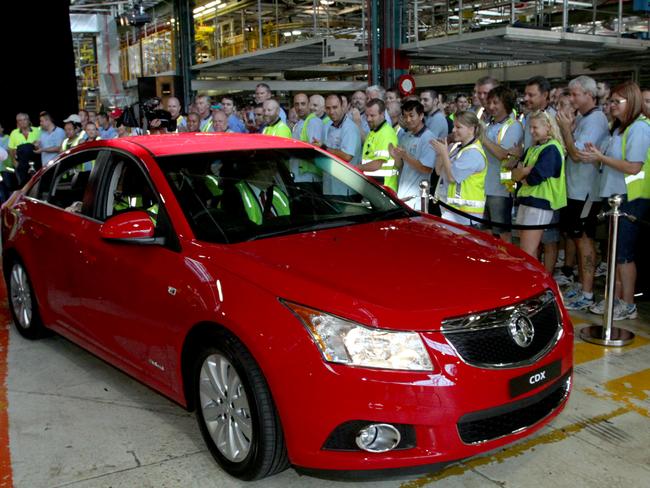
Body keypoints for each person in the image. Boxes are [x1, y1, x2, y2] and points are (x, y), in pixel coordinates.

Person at [579, 81, 650, 320]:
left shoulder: (639, 128)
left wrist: (602, 158)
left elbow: (633, 166)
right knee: (615, 252)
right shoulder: (617, 128)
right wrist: (596, 158)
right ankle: (615, 298)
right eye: (610, 101)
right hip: (614, 195)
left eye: (615, 102)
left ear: (631, 102)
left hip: (630, 197)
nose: (611, 106)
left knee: (624, 254)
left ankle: (628, 303)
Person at [556, 75, 610, 310]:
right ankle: (582, 284)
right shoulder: (583, 118)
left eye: (576, 94)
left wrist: (566, 130)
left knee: (584, 239)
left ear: (589, 94)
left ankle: (587, 292)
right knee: (576, 238)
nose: (572, 98)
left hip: (586, 192)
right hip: (575, 189)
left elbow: (577, 154)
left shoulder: (596, 120)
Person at [512, 111, 567, 259]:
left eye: (535, 128)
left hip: (540, 203)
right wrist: (525, 171)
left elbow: (534, 178)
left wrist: (523, 173)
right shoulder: (533, 149)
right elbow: (514, 175)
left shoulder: (552, 149)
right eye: (530, 127)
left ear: (548, 127)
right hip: (527, 200)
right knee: (525, 250)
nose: (531, 131)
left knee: (527, 251)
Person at [480, 86, 524, 243]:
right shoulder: (489, 126)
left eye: (495, 102)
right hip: (482, 187)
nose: (491, 106)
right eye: (489, 102)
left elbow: (503, 154)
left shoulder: (514, 126)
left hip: (500, 189)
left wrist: (482, 137)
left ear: (506, 103)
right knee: (485, 231)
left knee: (503, 232)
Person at [430, 111, 487, 226]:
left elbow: (452, 177)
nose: (453, 130)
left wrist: (444, 153)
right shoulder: (457, 147)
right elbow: (438, 170)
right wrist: (441, 153)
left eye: (458, 127)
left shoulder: (473, 153)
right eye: (454, 126)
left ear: (471, 129)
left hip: (467, 215)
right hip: (453, 211)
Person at [390, 99, 436, 211]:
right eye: (405, 116)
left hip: (418, 199)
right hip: (403, 195)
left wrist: (405, 156)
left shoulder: (428, 137)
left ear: (421, 116)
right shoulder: (405, 136)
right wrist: (395, 156)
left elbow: (426, 168)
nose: (408, 120)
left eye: (411, 115)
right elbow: (399, 166)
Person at [320, 94, 362, 197]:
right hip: (330, 186)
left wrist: (324, 148)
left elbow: (347, 156)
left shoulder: (349, 128)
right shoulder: (327, 126)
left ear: (342, 106)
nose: (331, 111)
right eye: (328, 108)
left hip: (346, 189)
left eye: (335, 107)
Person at [360, 99, 398, 191]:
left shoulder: (386, 134)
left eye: (372, 115)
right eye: (367, 116)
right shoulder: (374, 132)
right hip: (375, 186)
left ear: (382, 114)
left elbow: (378, 164)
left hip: (384, 188)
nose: (368, 119)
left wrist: (356, 168)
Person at [8, 113, 41, 187]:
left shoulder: (37, 130)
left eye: (24, 119)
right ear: (17, 122)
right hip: (22, 164)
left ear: (28, 120)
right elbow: (11, 148)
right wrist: (14, 161)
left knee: (37, 182)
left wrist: (37, 146)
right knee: (24, 185)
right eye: (20, 120)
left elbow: (42, 146)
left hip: (36, 162)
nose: (22, 122)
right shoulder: (14, 133)